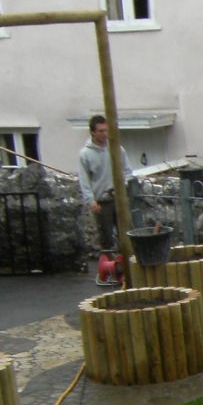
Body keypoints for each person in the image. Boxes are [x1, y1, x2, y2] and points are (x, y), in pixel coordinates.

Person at [78, 115, 118, 284]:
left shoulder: (115, 149)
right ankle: (105, 273)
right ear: (93, 132)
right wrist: (91, 200)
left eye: (106, 130)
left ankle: (124, 270)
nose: (104, 134)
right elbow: (84, 180)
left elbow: (127, 170)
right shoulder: (86, 154)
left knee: (126, 234)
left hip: (118, 198)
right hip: (102, 200)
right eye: (101, 131)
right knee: (106, 238)